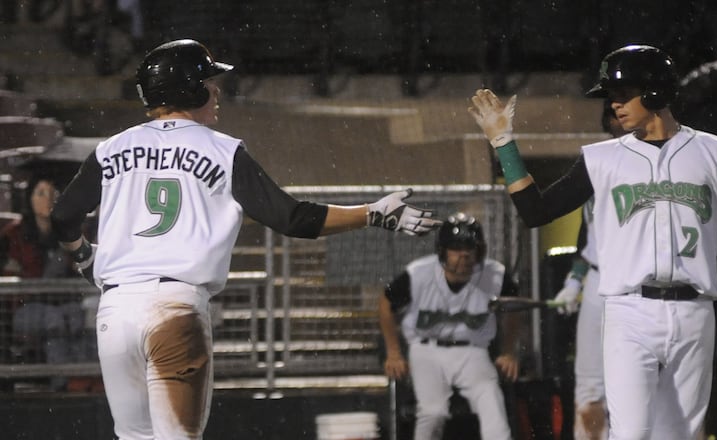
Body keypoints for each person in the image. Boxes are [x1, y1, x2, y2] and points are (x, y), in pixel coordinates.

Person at [50, 39, 441, 440]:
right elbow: (293, 218)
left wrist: (83, 257)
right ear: (189, 89)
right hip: (175, 310)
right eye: (208, 80)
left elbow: (62, 216)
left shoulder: (111, 148)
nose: (215, 89)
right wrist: (371, 213)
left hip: (115, 311)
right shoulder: (223, 150)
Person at [468, 44, 717, 439]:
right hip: (630, 312)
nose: (615, 106)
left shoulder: (714, 152)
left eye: (623, 94)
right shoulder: (601, 158)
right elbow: (535, 212)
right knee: (629, 434)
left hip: (696, 312)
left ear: (656, 92)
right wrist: (503, 143)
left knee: (679, 435)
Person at [378, 212, 521, 440]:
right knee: (433, 412)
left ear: (479, 250)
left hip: (473, 350)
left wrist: (508, 351)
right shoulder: (420, 273)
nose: (463, 255)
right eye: (456, 248)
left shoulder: (495, 275)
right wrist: (393, 352)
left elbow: (512, 309)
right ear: (443, 251)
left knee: (491, 398)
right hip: (426, 349)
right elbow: (386, 303)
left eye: (469, 248)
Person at [551, 102, 626, 440]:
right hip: (597, 283)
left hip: (634, 288)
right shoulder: (596, 166)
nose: (619, 125)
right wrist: (573, 281)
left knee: (628, 386)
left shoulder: (658, 168)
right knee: (589, 383)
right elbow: (587, 239)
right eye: (613, 120)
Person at [0, 175, 97, 391]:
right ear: (30, 198)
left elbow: (83, 269)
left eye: (54, 194)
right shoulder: (13, 235)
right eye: (41, 193)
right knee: (55, 321)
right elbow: (15, 285)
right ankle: (64, 381)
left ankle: (77, 382)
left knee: (77, 317)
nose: (48, 199)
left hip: (65, 304)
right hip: (25, 309)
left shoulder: (69, 232)